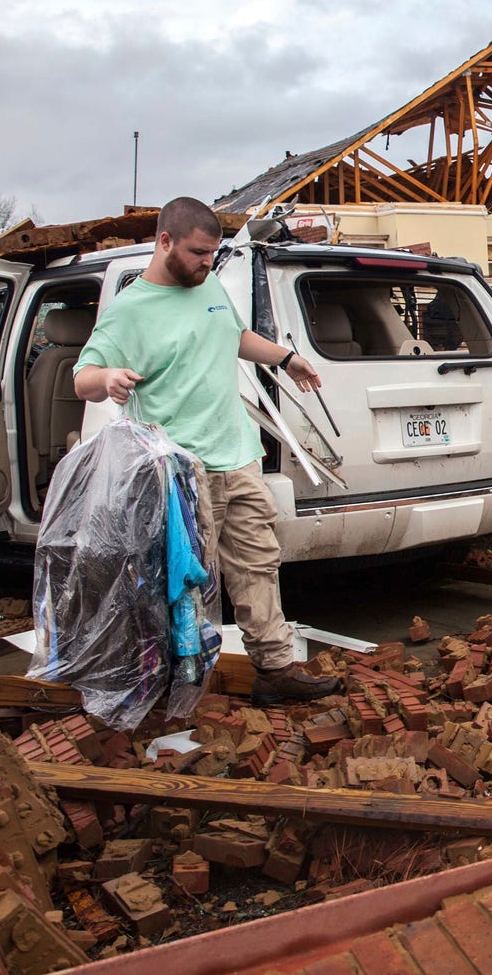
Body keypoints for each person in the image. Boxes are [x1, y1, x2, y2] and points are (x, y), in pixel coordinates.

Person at [74, 197, 341, 705]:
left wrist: (286, 358)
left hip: (237, 455)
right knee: (181, 582)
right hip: (179, 469)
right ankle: (173, 685)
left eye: (213, 254)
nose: (206, 262)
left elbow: (233, 334)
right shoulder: (130, 310)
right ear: (165, 242)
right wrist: (107, 377)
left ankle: (276, 670)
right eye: (197, 252)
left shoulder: (208, 284)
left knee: (259, 565)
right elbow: (82, 376)